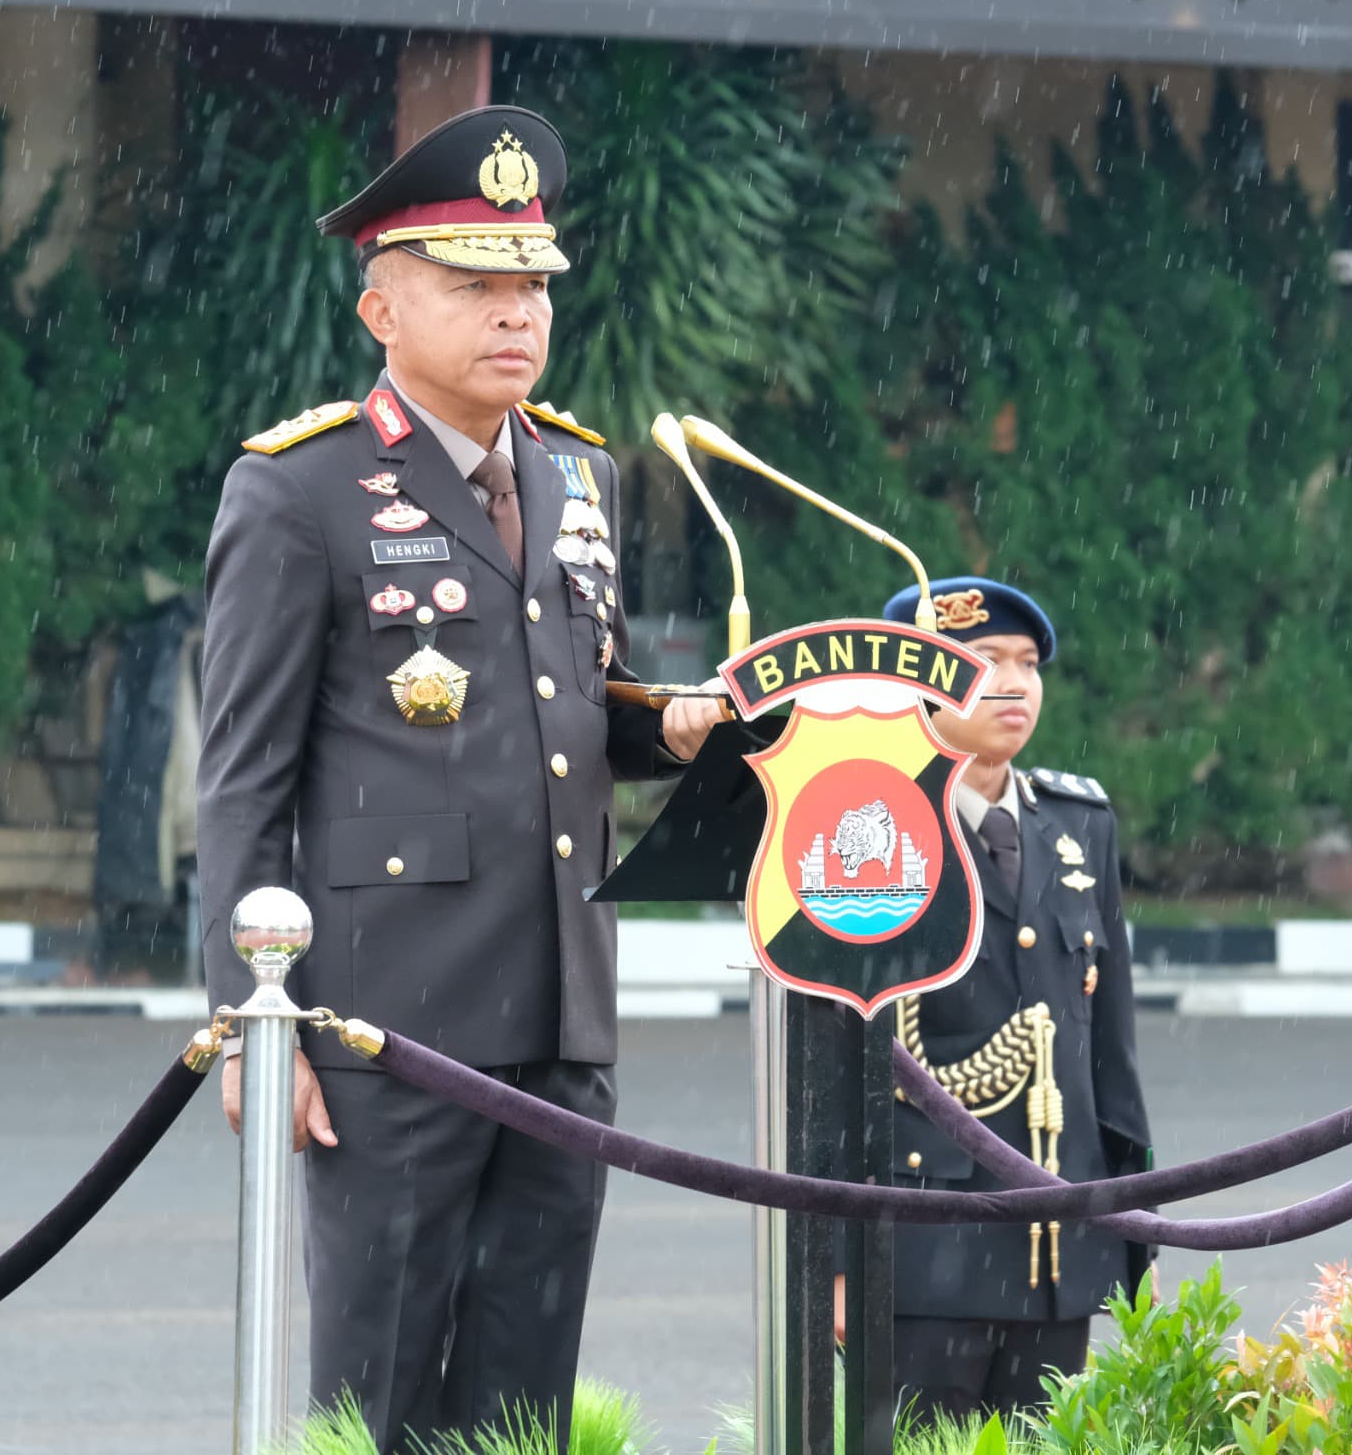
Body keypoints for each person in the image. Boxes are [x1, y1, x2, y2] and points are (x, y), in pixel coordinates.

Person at [195, 103, 727, 1452]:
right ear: (383, 306)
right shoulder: (300, 491)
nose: (516, 313)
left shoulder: (575, 471)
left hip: (561, 1016)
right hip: (389, 1023)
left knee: (522, 1403)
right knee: (377, 1388)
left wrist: (669, 728)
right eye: (474, 284)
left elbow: (560, 704)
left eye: (532, 283)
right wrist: (258, 1020)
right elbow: (246, 774)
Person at [836, 578, 1152, 1421]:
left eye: (1027, 663)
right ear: (917, 683)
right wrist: (833, 1254)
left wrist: (1131, 1225)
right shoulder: (867, 827)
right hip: (925, 1246)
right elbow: (838, 1060)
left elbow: (1107, 1051)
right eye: (983, 661)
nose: (1015, 684)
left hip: (1059, 1243)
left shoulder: (1080, 822)